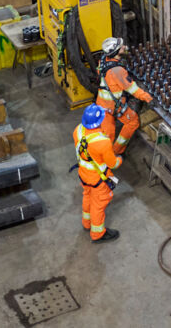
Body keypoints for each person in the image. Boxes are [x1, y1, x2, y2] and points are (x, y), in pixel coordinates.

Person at [96, 37, 153, 154]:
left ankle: (108, 154)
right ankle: (116, 151)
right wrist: (148, 98)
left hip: (102, 104)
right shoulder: (117, 71)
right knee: (132, 122)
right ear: (115, 52)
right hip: (114, 107)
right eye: (121, 47)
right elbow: (133, 90)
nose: (124, 47)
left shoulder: (103, 60)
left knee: (107, 134)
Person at [74, 103, 122, 243]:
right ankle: (98, 234)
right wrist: (120, 160)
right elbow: (112, 163)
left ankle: (86, 223)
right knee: (98, 204)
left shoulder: (78, 130)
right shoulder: (103, 142)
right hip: (98, 179)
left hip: (84, 175)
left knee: (87, 196)